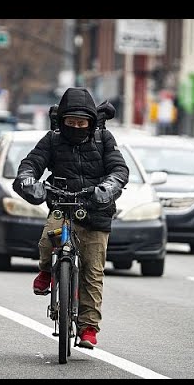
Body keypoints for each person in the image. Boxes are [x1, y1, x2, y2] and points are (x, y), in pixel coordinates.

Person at [12, 87, 129, 349]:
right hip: (61, 204)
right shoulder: (52, 140)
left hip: (97, 210)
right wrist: (30, 182)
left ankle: (88, 328)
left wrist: (107, 188)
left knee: (93, 272)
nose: (76, 127)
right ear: (62, 120)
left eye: (81, 122)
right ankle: (46, 271)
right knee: (48, 238)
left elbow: (119, 169)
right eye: (70, 122)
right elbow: (31, 164)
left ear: (90, 122)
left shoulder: (104, 139)